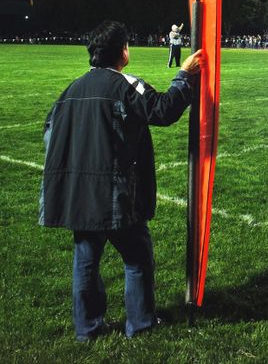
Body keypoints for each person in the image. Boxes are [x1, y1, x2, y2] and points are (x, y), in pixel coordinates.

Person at [39, 20, 204, 341]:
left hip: (78, 193)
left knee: (86, 261)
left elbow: (49, 132)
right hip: (113, 192)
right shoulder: (125, 85)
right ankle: (140, 324)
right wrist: (184, 75)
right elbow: (163, 111)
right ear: (122, 52)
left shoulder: (71, 90)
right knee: (137, 256)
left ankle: (87, 329)